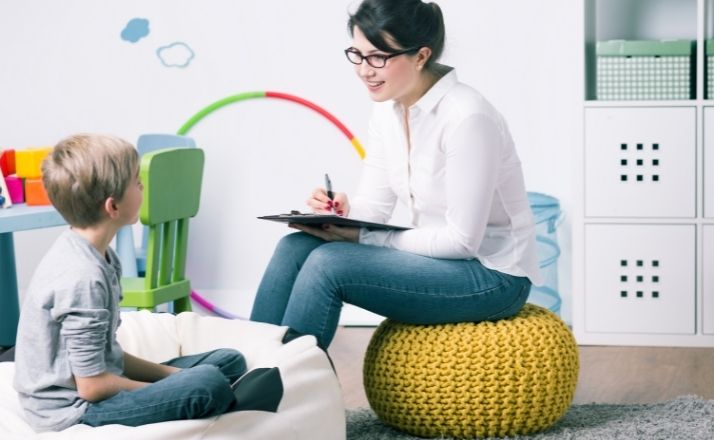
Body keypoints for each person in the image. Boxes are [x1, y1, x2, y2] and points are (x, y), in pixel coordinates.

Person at [251, 0, 542, 350]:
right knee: (295, 246)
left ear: (421, 56)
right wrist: (339, 215)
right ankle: (248, 371)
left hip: (492, 276)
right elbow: (374, 208)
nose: (364, 70)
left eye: (378, 57)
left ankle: (288, 386)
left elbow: (463, 242)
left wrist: (362, 238)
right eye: (357, 55)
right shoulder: (389, 112)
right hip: (437, 260)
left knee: (329, 263)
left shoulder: (467, 118)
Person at [13, 134, 247, 432]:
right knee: (209, 384)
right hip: (75, 408)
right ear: (112, 206)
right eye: (137, 182)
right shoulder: (81, 278)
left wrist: (172, 375)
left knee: (229, 361)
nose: (143, 187)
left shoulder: (100, 254)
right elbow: (92, 387)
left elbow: (109, 355)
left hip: (98, 379)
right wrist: (177, 382)